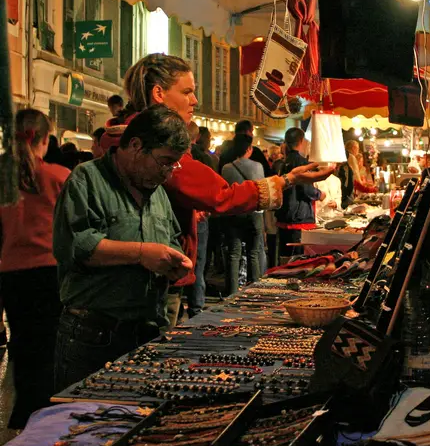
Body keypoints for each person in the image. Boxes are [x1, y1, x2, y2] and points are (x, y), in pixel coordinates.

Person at [101, 54, 333, 299]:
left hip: (138, 276)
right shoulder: (155, 144)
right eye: (187, 92)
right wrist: (288, 179)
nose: (195, 100)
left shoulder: (122, 141)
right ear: (159, 94)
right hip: (150, 280)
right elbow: (220, 196)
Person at [53, 106, 193, 391]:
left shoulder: (157, 193)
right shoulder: (87, 179)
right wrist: (142, 253)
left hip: (146, 331)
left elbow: (171, 240)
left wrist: (174, 263)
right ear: (135, 145)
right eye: (164, 161)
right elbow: (77, 245)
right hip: (93, 336)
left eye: (173, 164)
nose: (167, 172)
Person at [0, 109, 70, 429]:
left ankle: (24, 408)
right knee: (51, 345)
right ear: (44, 140)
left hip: (11, 272)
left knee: (23, 343)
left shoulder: (3, 178)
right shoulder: (59, 176)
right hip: (50, 271)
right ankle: (45, 411)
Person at [221, 134, 266, 295]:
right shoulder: (258, 167)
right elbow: (262, 190)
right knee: (253, 253)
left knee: (234, 253)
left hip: (234, 214)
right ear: (249, 149)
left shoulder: (226, 168)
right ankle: (254, 292)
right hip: (254, 213)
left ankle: (231, 293)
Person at [276, 127, 325, 257]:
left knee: (285, 257)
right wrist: (319, 194)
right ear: (301, 141)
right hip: (298, 218)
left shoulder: (282, 163)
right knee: (297, 259)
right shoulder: (302, 163)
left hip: (283, 216)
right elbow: (306, 189)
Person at [184, 122, 213, 317]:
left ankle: (179, 308)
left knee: (183, 262)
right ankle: (196, 308)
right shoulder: (204, 158)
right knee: (198, 263)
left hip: (184, 215)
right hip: (199, 216)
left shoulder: (178, 160)